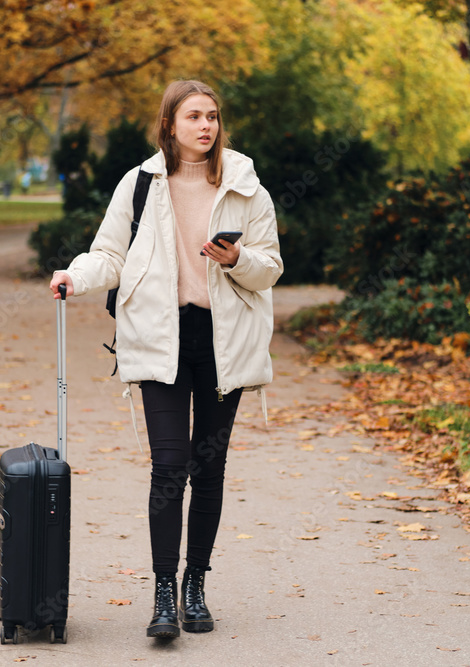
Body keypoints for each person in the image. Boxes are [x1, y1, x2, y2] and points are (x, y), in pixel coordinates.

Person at [49, 80, 283, 639]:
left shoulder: (246, 186)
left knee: (209, 468)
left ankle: (194, 586)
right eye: (194, 116)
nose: (206, 126)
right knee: (169, 465)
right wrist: (74, 277)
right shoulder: (139, 184)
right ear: (169, 125)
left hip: (223, 341)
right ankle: (162, 591)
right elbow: (110, 254)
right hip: (161, 338)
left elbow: (270, 267)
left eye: (213, 116)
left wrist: (237, 258)